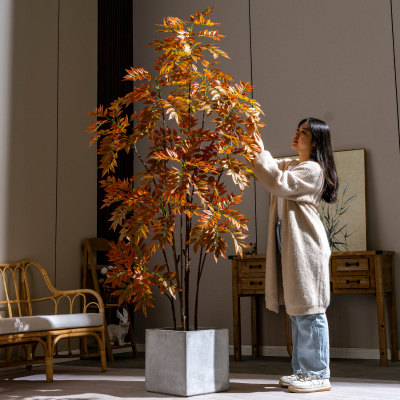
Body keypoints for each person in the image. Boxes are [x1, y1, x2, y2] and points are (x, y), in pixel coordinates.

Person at [246, 117, 338, 393]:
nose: (297, 136)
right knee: (298, 309)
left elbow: (277, 181)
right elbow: (271, 168)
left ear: (317, 141)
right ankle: (302, 371)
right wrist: (253, 146)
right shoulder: (296, 165)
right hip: (293, 246)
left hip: (307, 246)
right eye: (297, 130)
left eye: (304, 133)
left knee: (310, 307)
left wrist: (261, 152)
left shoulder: (313, 169)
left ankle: (318, 374)